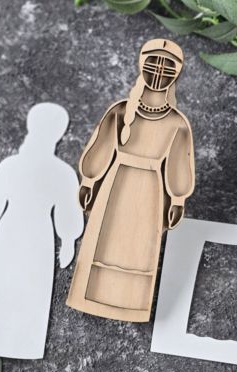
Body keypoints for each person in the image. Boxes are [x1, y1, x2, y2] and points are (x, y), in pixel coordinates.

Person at [67, 39, 195, 322]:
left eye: (167, 65)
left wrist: (177, 198)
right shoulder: (120, 111)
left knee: (137, 249)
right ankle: (91, 294)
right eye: (153, 62)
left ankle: (131, 302)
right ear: (141, 64)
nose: (159, 70)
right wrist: (89, 180)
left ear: (176, 72)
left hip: (150, 193)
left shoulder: (177, 123)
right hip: (115, 186)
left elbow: (178, 163)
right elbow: (101, 145)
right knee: (105, 241)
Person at [0, 103, 83, 359]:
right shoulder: (14, 165)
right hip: (10, 233)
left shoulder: (62, 172)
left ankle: (22, 344)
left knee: (29, 288)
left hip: (37, 239)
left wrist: (69, 240)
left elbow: (68, 211)